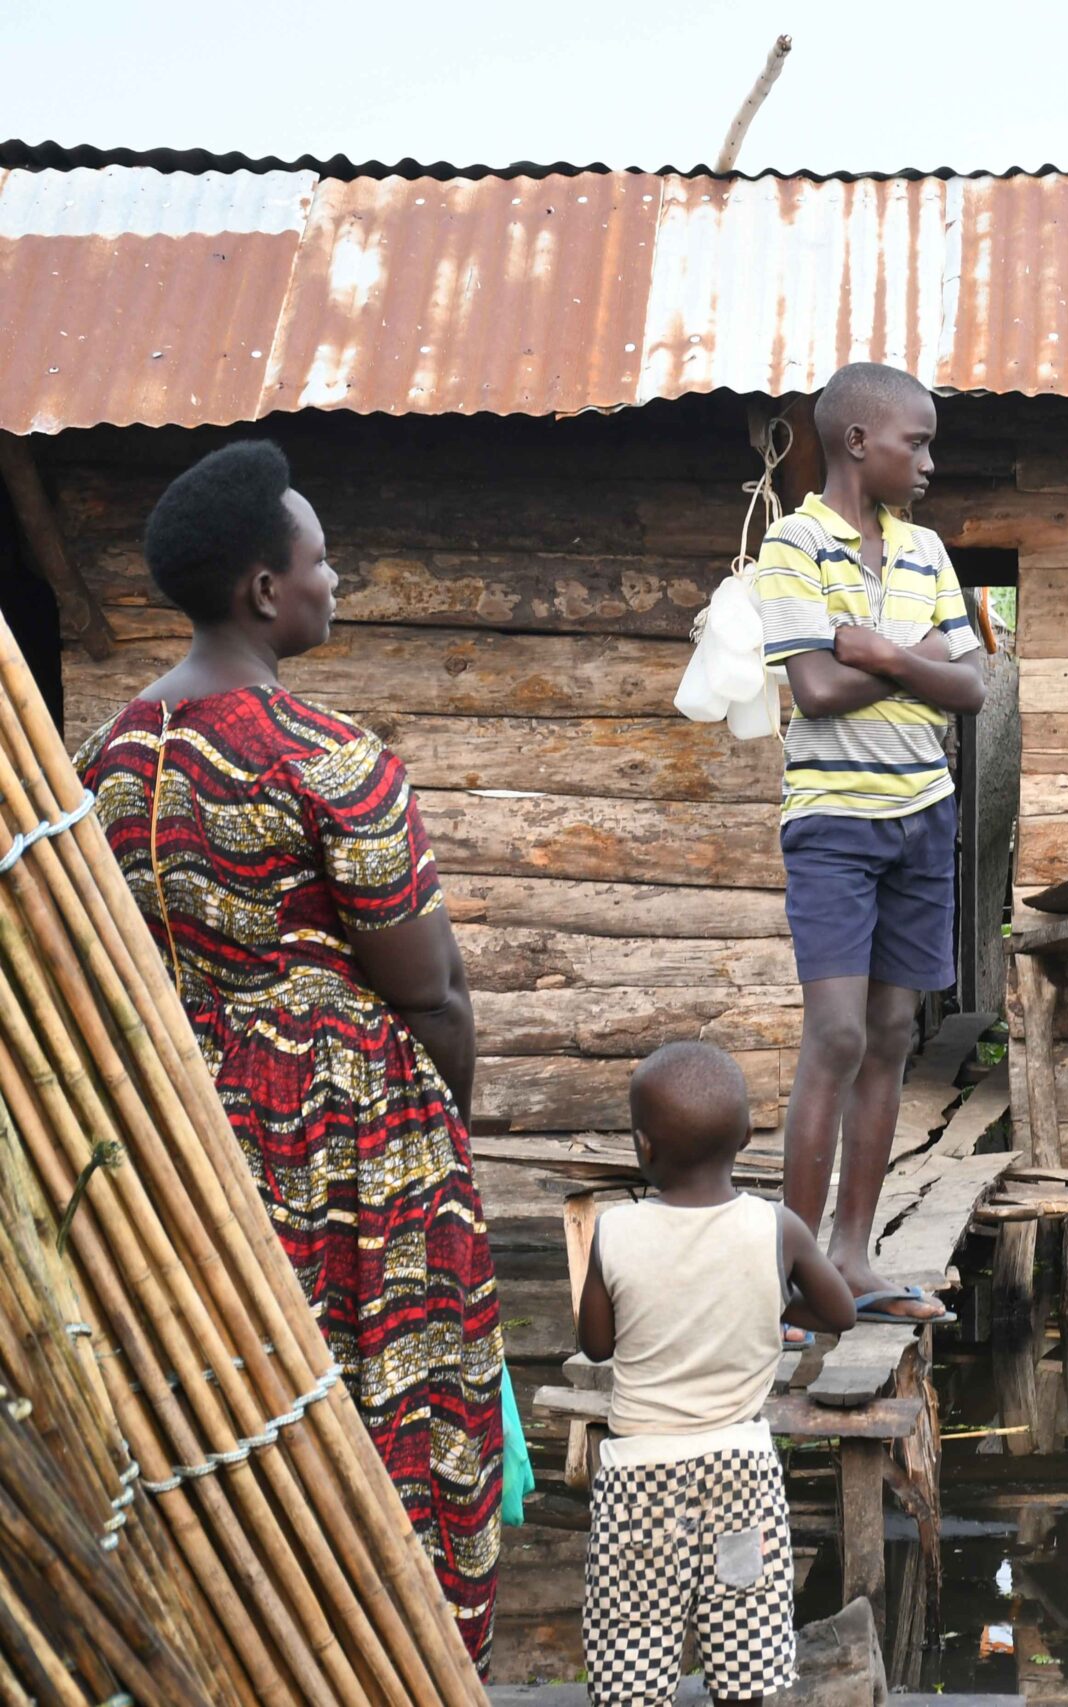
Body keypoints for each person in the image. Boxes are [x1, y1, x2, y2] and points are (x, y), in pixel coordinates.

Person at [75, 441, 503, 1664]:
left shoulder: (108, 759)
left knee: (218, 1423)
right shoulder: (327, 759)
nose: (335, 579)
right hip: (347, 1144)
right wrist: (441, 1150)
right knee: (389, 1429)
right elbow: (435, 993)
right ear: (266, 589)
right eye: (320, 561)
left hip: (179, 1138)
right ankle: (398, 1670)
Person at [754, 362, 985, 1324]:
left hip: (923, 814)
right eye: (915, 442)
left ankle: (854, 1253)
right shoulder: (791, 546)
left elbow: (973, 690)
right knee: (839, 1032)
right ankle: (795, 1269)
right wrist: (923, 661)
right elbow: (815, 689)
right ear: (858, 442)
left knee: (894, 1032)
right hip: (835, 824)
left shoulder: (928, 549)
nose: (929, 461)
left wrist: (884, 651)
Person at [576, 1042, 859, 1707]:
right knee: (744, 1646)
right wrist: (771, 1296)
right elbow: (840, 1311)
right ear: (745, 1136)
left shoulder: (615, 1230)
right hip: (740, 1474)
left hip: (638, 1479)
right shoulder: (775, 1227)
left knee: (631, 1652)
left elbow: (594, 1344)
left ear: (644, 1146)